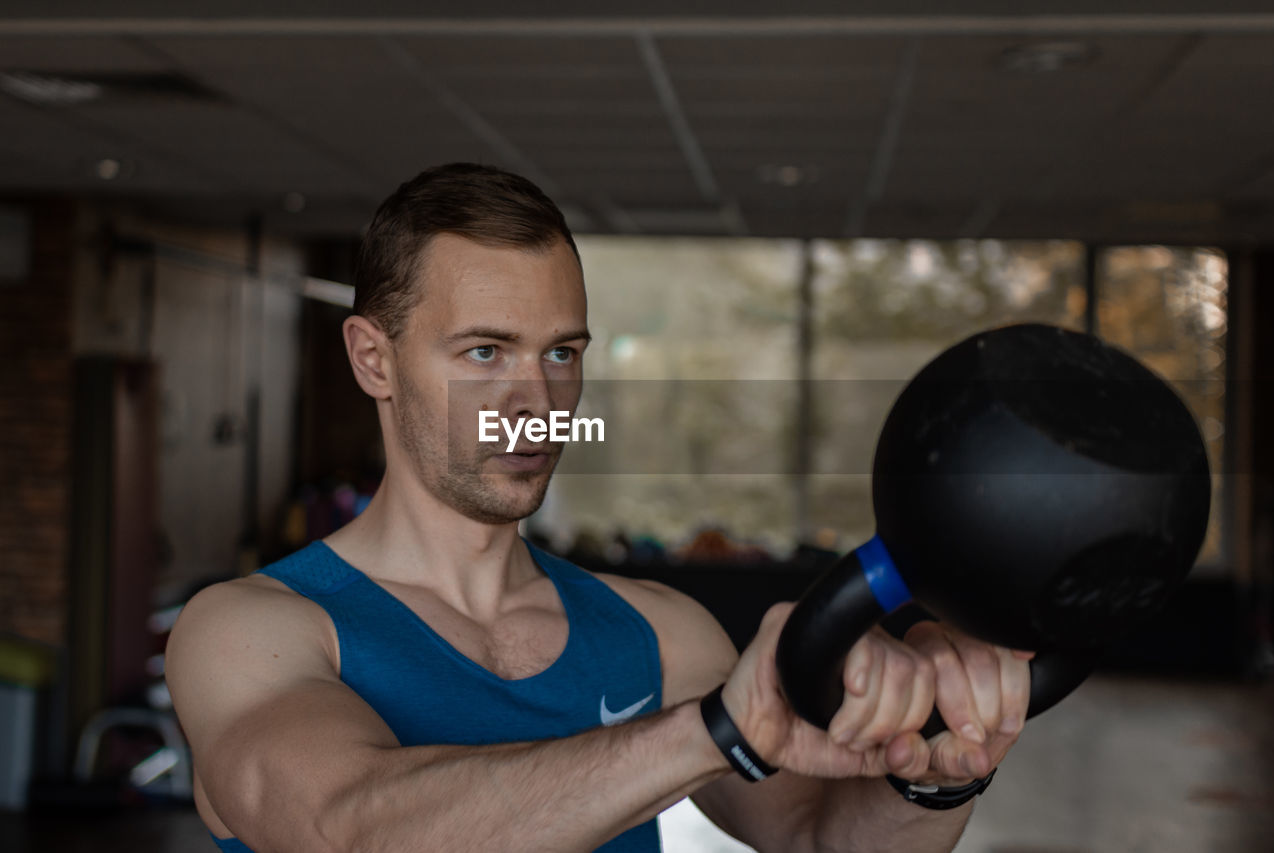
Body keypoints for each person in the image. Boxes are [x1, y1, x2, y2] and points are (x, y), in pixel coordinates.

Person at [166, 162, 1034, 853]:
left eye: (561, 353)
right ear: (373, 359)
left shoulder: (657, 631)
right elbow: (348, 829)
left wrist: (939, 771)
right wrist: (710, 731)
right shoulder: (251, 630)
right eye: (483, 351)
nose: (535, 397)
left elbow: (820, 841)